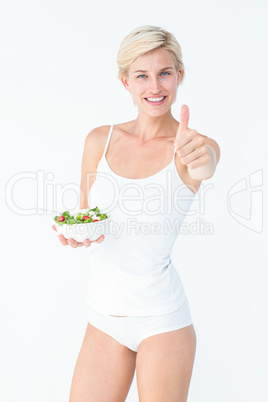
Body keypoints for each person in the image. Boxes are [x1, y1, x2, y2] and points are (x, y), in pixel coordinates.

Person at [52, 25, 220, 402]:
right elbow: (87, 217)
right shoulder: (99, 140)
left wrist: (203, 159)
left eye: (164, 73)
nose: (154, 87)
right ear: (125, 82)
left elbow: (206, 165)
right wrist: (76, 233)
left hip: (162, 320)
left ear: (179, 76)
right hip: (103, 317)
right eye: (142, 75)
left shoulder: (193, 147)